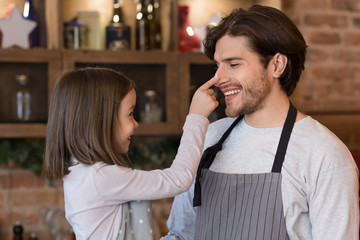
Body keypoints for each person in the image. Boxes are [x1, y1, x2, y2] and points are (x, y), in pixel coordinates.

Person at [162, 5, 359, 240]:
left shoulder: (324, 154)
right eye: (218, 66)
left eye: (233, 64)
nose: (219, 79)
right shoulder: (208, 137)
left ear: (277, 65)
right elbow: (181, 235)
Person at [42, 67, 218, 240]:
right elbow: (179, 179)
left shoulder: (81, 171)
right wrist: (197, 117)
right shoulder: (100, 177)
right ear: (101, 119)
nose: (136, 124)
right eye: (130, 114)